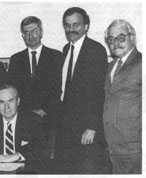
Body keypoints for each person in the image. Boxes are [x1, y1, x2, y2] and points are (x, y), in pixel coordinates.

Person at [54, 7, 110, 173]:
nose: (71, 29)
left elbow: (99, 91)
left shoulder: (96, 50)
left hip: (87, 129)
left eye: (76, 25)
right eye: (67, 25)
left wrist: (92, 126)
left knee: (85, 171)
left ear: (86, 26)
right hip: (65, 126)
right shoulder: (65, 49)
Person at [8, 16, 63, 158]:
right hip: (24, 121)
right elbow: (13, 91)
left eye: (34, 31)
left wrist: (44, 110)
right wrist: (28, 113)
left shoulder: (56, 57)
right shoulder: (15, 59)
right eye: (26, 32)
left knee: (47, 162)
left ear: (41, 32)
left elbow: (59, 89)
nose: (30, 35)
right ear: (22, 36)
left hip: (49, 119)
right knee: (25, 160)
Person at [103, 19, 142, 174]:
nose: (115, 43)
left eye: (121, 38)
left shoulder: (142, 63)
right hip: (112, 146)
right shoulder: (111, 66)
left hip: (134, 148)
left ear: (132, 37)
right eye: (111, 40)